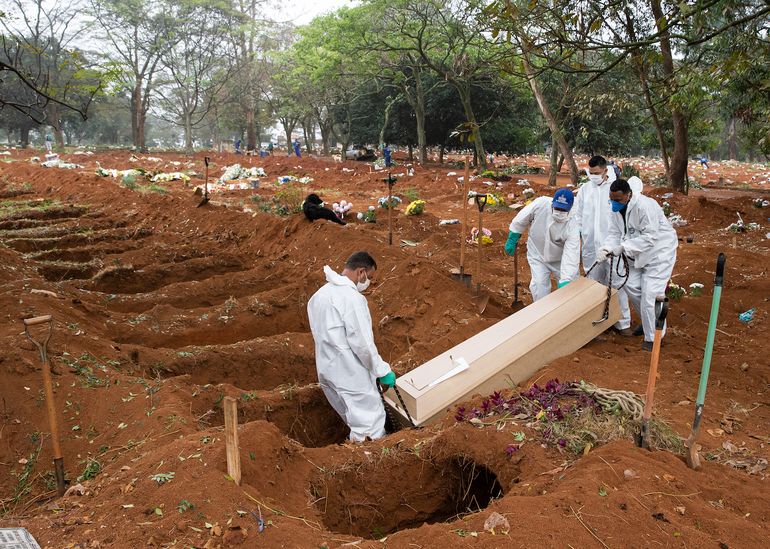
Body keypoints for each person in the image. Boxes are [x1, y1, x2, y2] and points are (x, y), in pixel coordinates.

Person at [307, 252, 395, 441]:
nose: (368, 282)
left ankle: (353, 451)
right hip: (349, 373)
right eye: (369, 277)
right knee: (369, 425)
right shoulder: (352, 299)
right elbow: (362, 344)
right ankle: (368, 464)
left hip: (326, 370)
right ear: (361, 272)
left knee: (353, 417)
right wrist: (382, 371)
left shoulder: (319, 296)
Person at [598, 179, 678, 351]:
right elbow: (614, 232)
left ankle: (653, 338)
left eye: (617, 200)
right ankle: (649, 322)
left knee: (650, 295)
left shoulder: (645, 207)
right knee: (632, 287)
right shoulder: (615, 209)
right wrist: (607, 248)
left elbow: (650, 238)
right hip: (635, 255)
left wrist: (623, 247)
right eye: (611, 199)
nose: (614, 203)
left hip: (658, 254)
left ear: (628, 195)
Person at [572, 155, 633, 335]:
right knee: (593, 284)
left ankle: (623, 323)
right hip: (591, 246)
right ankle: (596, 322)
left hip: (612, 245)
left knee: (616, 282)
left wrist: (619, 243)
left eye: (596, 173)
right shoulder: (585, 189)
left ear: (605, 170)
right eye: (590, 173)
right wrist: (579, 234)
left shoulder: (615, 189)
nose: (593, 176)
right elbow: (579, 215)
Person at [505, 188, 580, 301]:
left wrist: (566, 279)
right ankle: (542, 313)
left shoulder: (574, 223)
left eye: (563, 210)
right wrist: (513, 236)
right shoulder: (541, 204)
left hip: (560, 259)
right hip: (537, 253)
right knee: (539, 285)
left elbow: (571, 253)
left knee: (570, 289)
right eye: (557, 208)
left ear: (570, 208)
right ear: (552, 203)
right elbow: (521, 219)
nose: (559, 212)